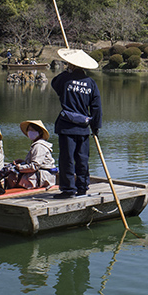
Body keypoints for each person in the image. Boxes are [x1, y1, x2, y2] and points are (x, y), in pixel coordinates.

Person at [51, 49, 101, 198]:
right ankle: (83, 187)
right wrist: (96, 127)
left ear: (71, 65)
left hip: (67, 127)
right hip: (84, 127)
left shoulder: (65, 79)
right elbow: (96, 107)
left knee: (67, 159)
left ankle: (68, 190)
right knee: (82, 158)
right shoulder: (91, 83)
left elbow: (55, 84)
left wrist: (68, 72)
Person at [4, 120, 57, 190]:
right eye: (29, 130)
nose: (30, 132)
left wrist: (19, 167)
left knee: (12, 177)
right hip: (42, 174)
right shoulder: (37, 145)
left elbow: (35, 166)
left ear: (39, 132)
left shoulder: (39, 146)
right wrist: (23, 162)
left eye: (32, 130)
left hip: (44, 177)